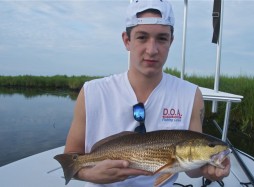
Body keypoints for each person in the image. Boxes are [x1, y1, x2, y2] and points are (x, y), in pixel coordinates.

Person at [64, 0, 230, 186]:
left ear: (171, 41)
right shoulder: (91, 92)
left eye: (162, 38)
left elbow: (190, 168)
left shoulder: (191, 95)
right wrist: (90, 175)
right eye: (142, 37)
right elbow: (70, 158)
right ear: (127, 41)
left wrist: (207, 169)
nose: (152, 50)